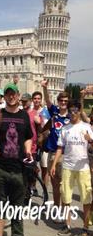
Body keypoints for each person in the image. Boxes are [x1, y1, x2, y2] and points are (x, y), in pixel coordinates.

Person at [0, 83, 33, 236]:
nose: (11, 96)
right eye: (8, 94)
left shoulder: (24, 115)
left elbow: (28, 137)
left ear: (18, 95)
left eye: (14, 94)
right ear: (4, 96)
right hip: (1, 168)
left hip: (19, 169)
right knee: (1, 207)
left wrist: (28, 150)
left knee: (17, 209)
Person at [50, 100, 93, 236]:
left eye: (75, 110)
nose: (73, 113)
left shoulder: (87, 127)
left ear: (80, 111)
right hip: (67, 166)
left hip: (83, 168)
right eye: (70, 110)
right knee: (66, 197)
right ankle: (67, 225)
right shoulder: (65, 128)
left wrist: (90, 140)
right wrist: (54, 164)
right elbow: (59, 148)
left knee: (86, 198)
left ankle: (85, 228)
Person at [42, 80, 70, 211]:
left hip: (66, 155)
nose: (63, 103)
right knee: (54, 184)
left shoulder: (71, 116)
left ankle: (65, 211)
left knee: (64, 185)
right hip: (53, 153)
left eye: (65, 101)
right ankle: (57, 208)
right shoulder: (54, 112)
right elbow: (47, 101)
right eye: (61, 101)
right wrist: (45, 88)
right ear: (58, 102)